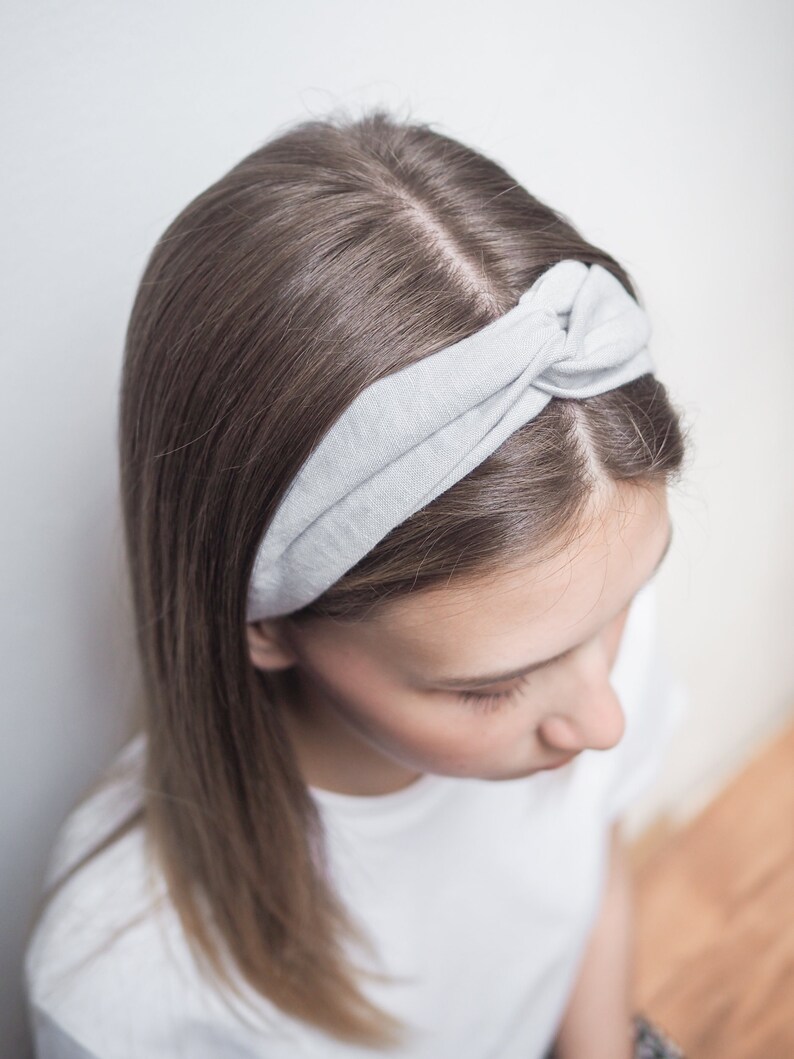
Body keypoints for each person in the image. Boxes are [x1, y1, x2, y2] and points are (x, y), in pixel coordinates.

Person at [23, 106, 691, 1059]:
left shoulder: (571, 624)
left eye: (622, 607)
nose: (601, 721)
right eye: (486, 688)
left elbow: (588, 859)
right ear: (266, 623)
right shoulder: (126, 987)